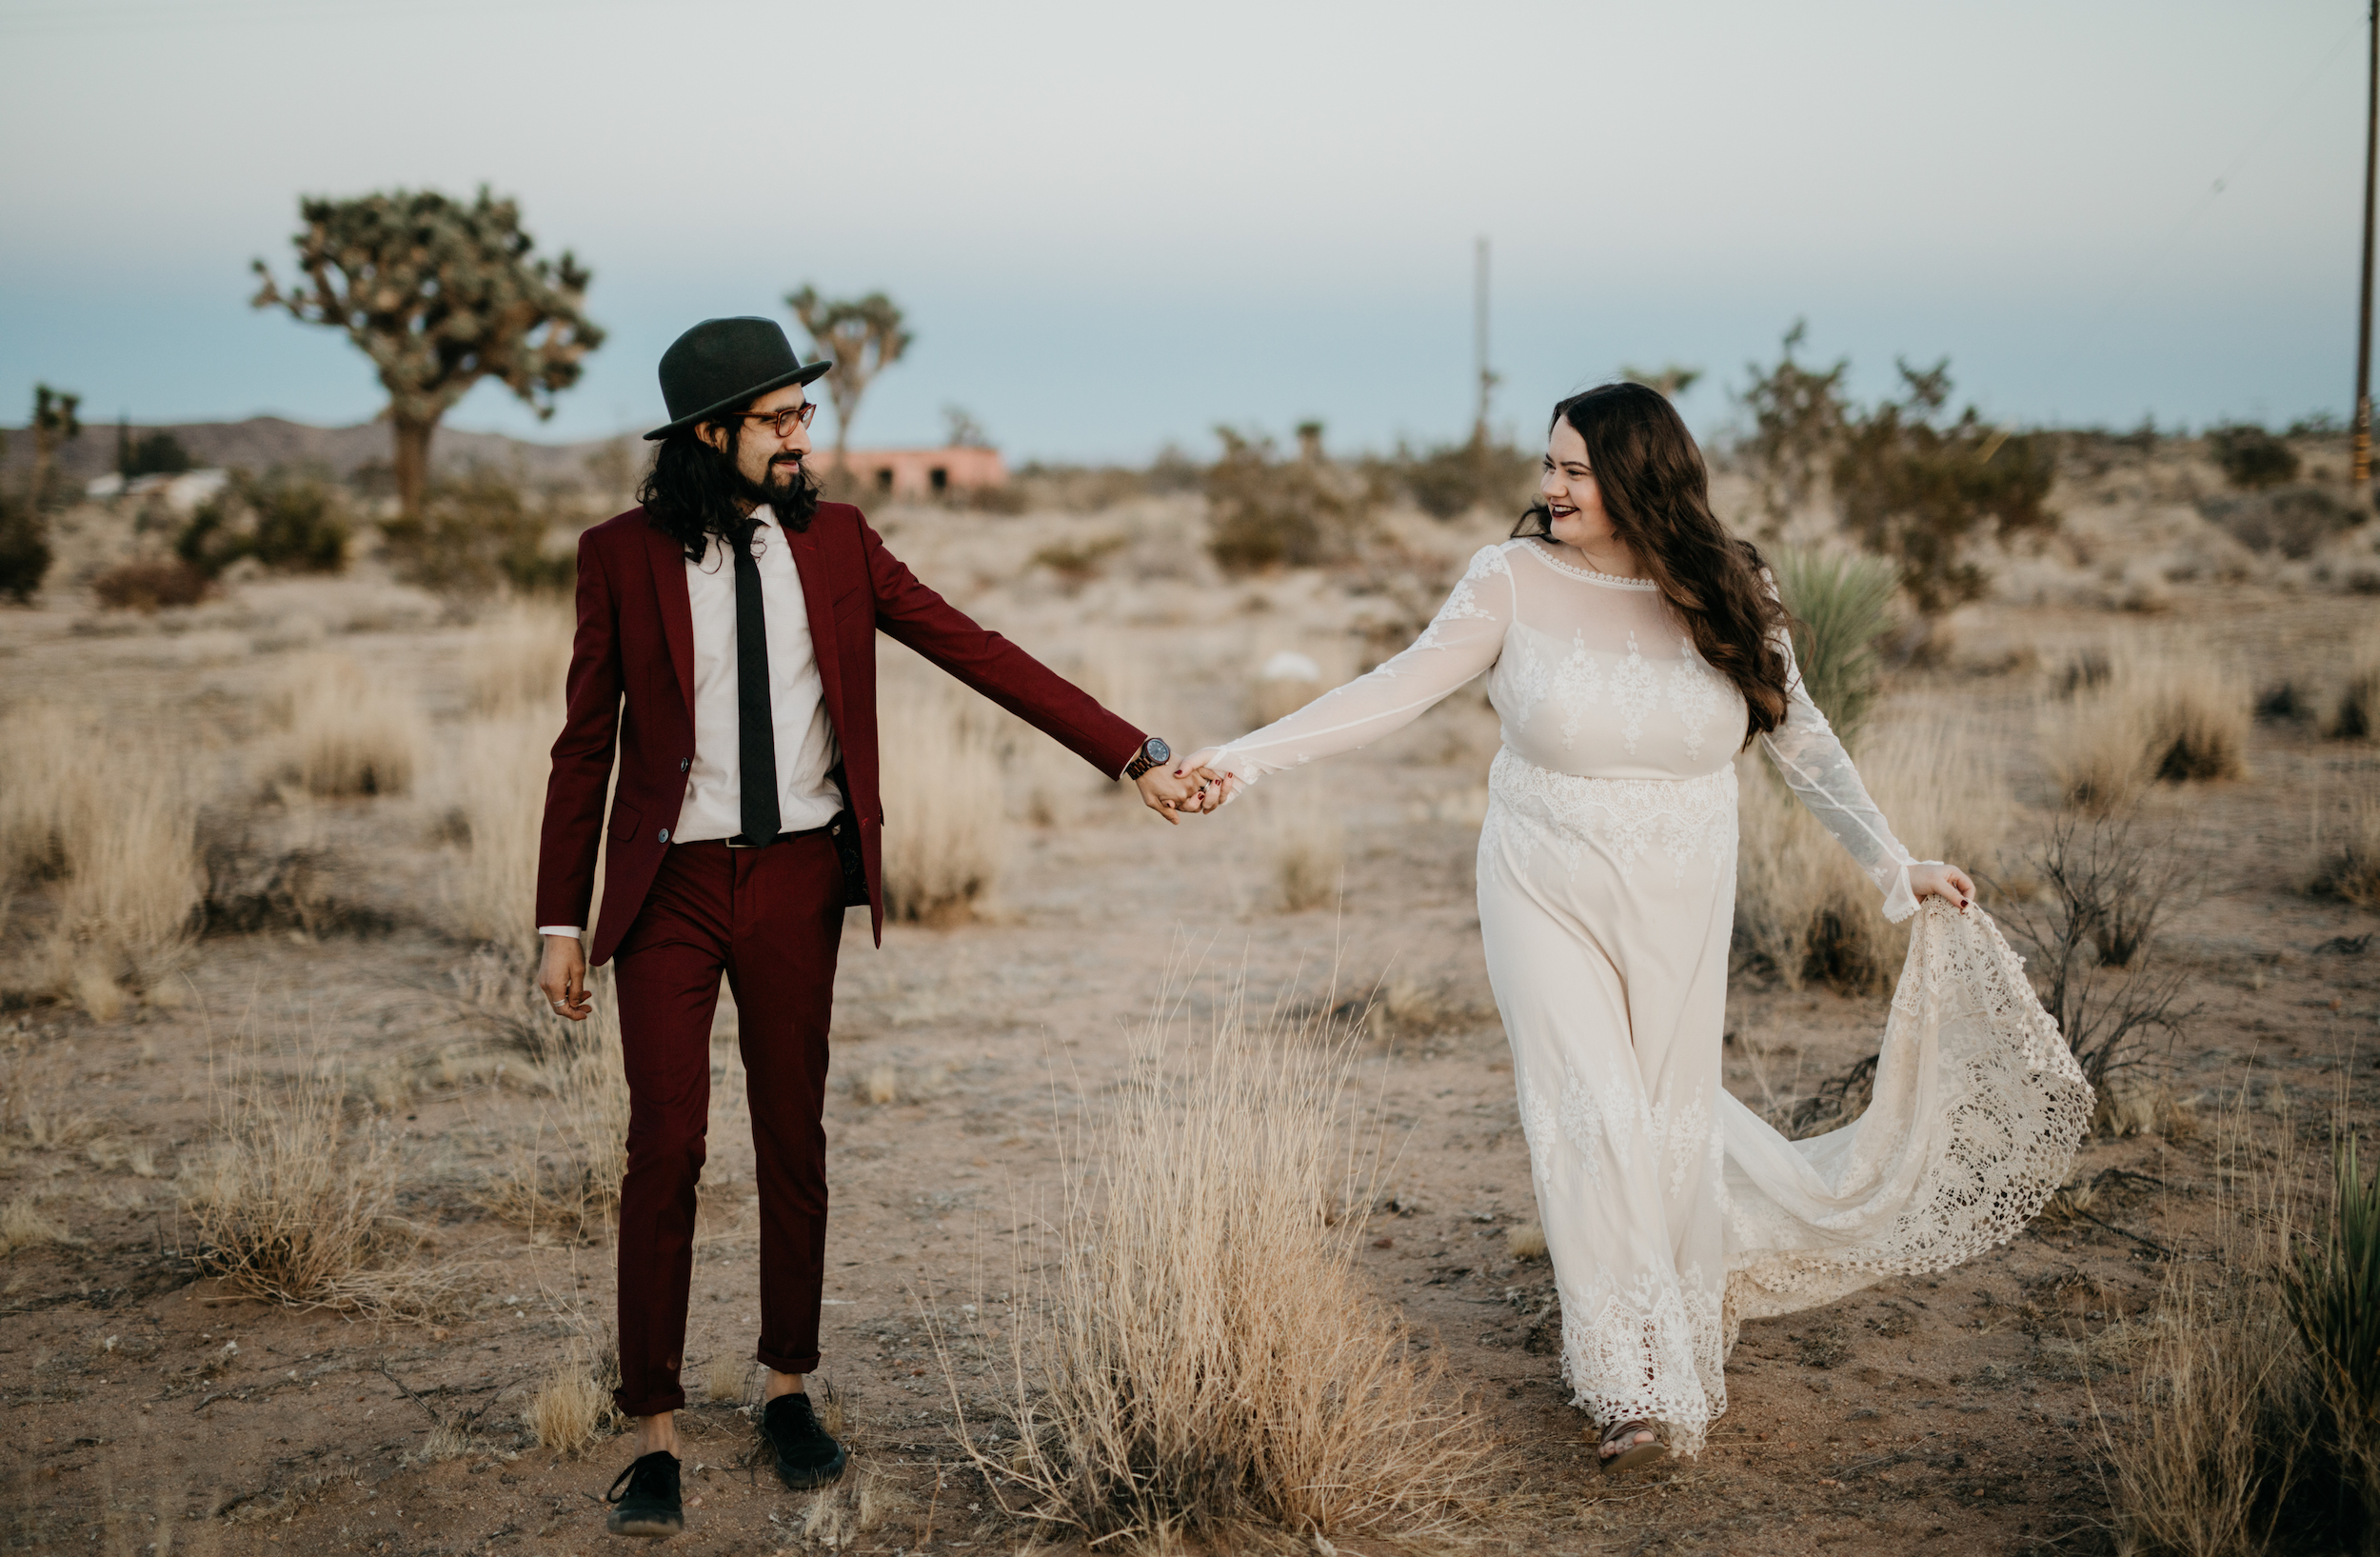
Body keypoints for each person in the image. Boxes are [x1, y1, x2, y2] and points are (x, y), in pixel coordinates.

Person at [1176, 381, 2090, 1472]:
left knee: (1663, 1116)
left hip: (1681, 887)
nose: (1549, 487)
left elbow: (1803, 742)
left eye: (1574, 469)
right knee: (1588, 1112)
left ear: (1638, 478)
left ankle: (1673, 1313)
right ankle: (1630, 1388)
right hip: (1540, 878)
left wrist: (1896, 864)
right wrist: (1241, 758)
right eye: (1547, 465)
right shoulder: (1509, 578)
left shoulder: (1725, 587)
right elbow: (1395, 688)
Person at [532, 317, 1209, 1538]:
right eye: (781, 420)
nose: (805, 437)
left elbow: (975, 648)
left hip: (797, 875)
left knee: (794, 1133)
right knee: (665, 1145)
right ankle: (655, 1430)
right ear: (710, 434)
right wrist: (557, 919)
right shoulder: (618, 555)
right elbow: (586, 742)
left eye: (804, 416)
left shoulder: (838, 541)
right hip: (670, 888)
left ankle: (787, 1385)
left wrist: (1133, 751)